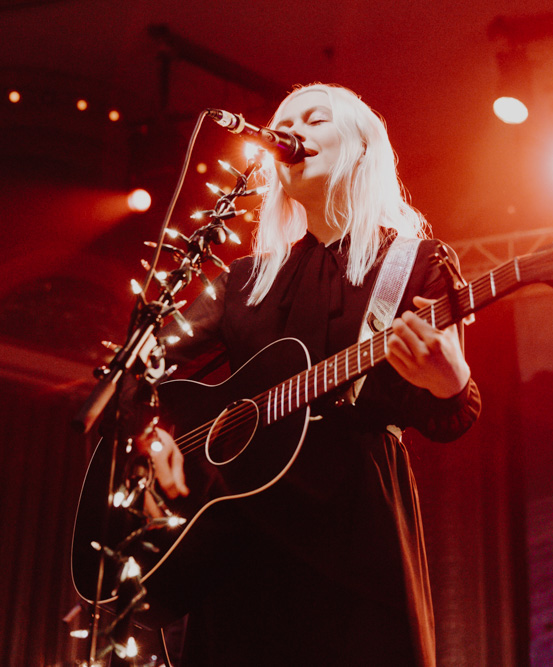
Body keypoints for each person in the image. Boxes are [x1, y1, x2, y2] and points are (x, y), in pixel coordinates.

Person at [143, 83, 480, 666]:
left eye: (315, 119)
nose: (293, 131)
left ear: (360, 148)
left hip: (353, 536)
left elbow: (447, 413)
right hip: (239, 543)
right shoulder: (245, 281)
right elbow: (147, 368)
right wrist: (155, 443)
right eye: (285, 121)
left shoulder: (416, 263)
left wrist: (450, 383)